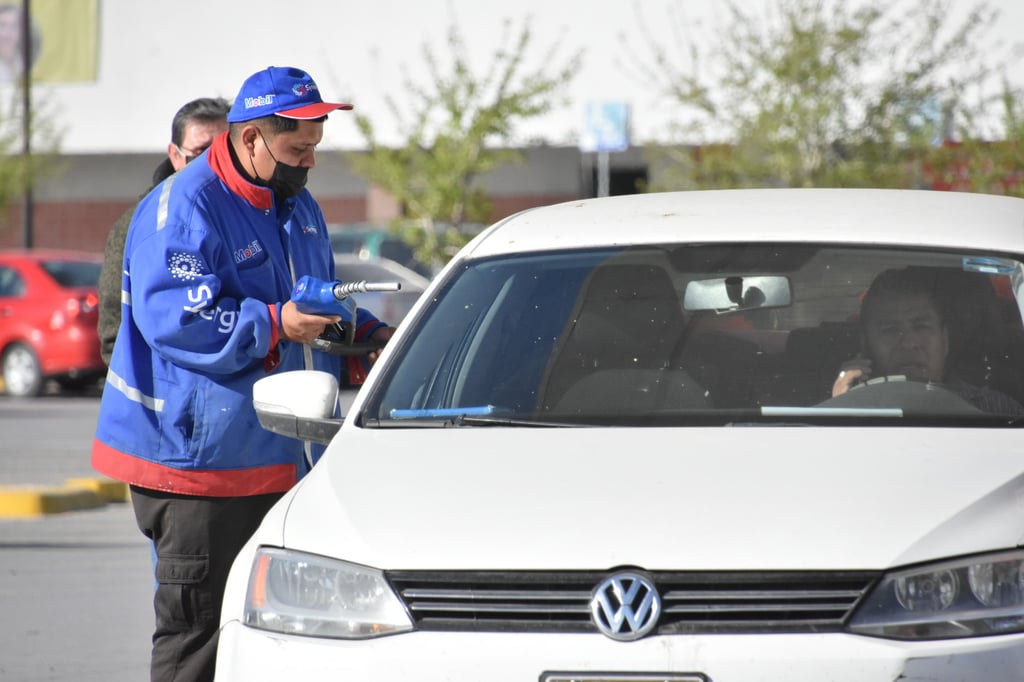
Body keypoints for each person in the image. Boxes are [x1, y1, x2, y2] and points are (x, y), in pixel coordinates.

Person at [91, 66, 395, 682]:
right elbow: (181, 320)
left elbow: (313, 298)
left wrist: (365, 338)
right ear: (252, 137)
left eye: (314, 148)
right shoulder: (184, 208)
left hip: (284, 460)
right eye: (297, 149)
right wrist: (277, 323)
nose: (309, 163)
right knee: (200, 642)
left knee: (282, 638)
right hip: (197, 468)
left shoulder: (296, 205)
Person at [98, 96, 232, 364]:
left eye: (223, 151)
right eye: (201, 152)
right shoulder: (138, 225)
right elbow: (114, 329)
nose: (213, 163)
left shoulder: (250, 213)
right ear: (175, 155)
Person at [831, 267, 1024, 416]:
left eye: (921, 326)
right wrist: (840, 405)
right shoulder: (841, 406)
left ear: (945, 340)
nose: (909, 343)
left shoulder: (997, 411)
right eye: (890, 330)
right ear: (866, 344)